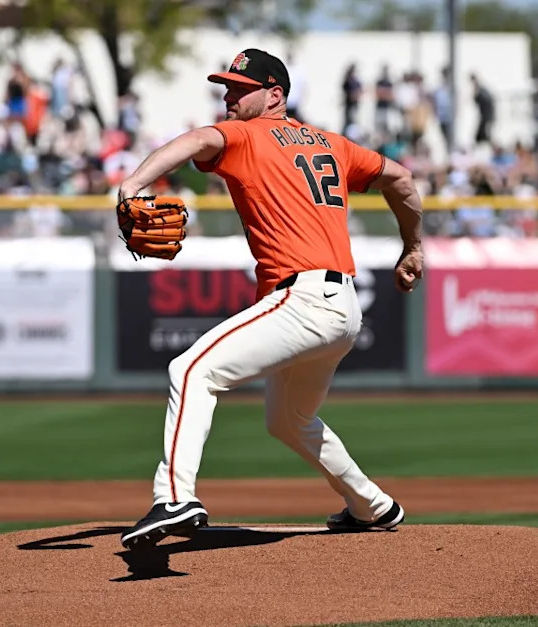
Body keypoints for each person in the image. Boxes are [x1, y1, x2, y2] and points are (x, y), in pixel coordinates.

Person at [116, 48, 423, 550]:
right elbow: (402, 179)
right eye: (227, 86)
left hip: (303, 297)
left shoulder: (246, 134)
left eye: (240, 88)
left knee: (191, 370)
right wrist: (412, 247)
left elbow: (195, 139)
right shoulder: (332, 143)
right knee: (288, 419)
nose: (228, 96)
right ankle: (372, 505)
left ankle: (174, 497)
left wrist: (132, 185)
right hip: (343, 305)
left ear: (275, 94)